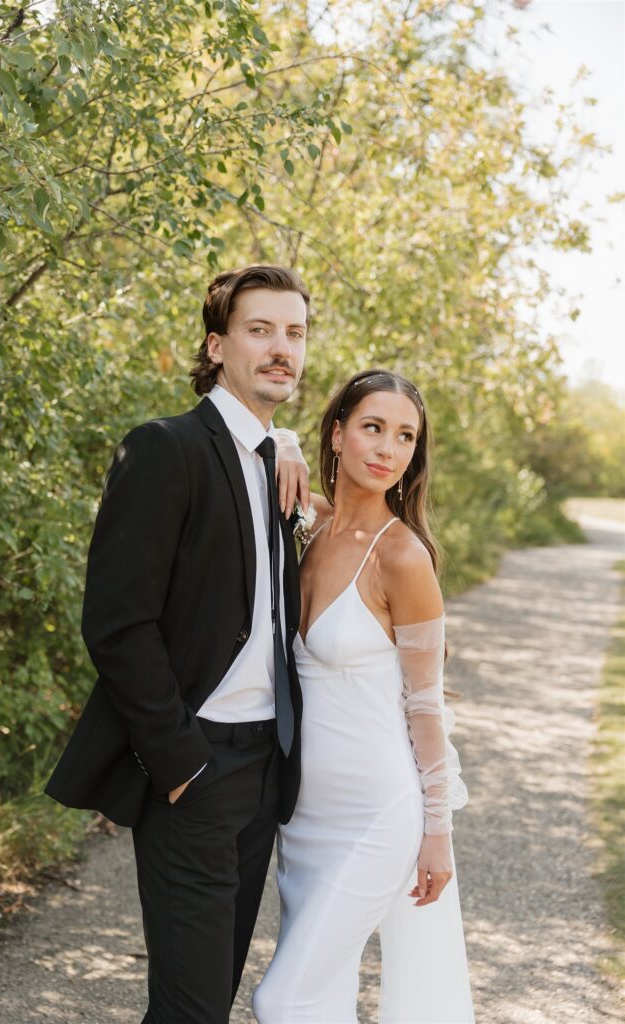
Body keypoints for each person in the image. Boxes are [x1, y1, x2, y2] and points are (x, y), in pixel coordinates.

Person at [44, 264, 313, 1024]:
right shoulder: (164, 449)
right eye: (259, 330)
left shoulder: (276, 462)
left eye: (292, 333)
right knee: (191, 1009)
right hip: (196, 764)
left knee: (210, 997)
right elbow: (118, 624)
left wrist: (285, 441)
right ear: (216, 344)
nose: (279, 349)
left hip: (266, 767)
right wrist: (180, 762)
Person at [253, 369, 475, 1023]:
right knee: (320, 1000)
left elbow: (426, 705)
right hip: (302, 820)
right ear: (338, 432)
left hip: (377, 815)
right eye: (373, 427)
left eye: (404, 437)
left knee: (281, 999)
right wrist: (286, 442)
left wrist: (437, 832)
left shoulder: (402, 557)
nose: (387, 449)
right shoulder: (310, 526)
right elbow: (243, 441)